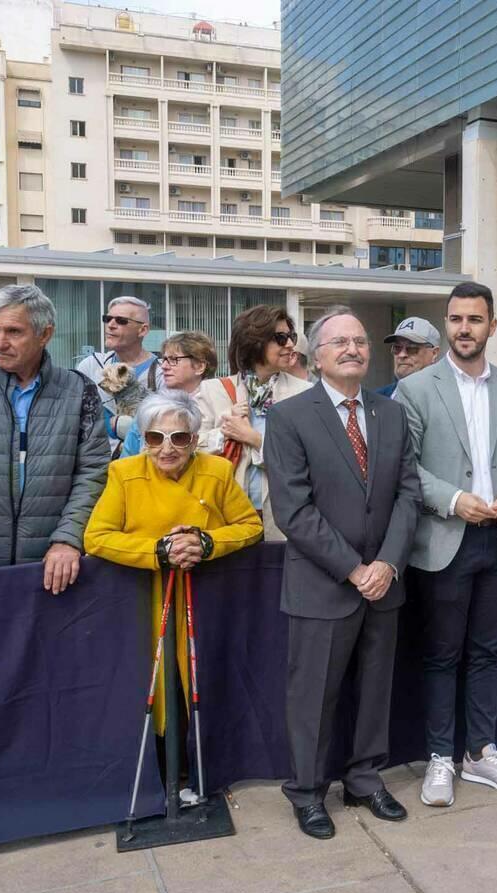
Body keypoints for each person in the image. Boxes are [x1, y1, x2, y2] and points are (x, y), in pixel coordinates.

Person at [265, 307, 421, 838]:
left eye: (359, 340)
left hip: (384, 583)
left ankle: (364, 778)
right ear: (316, 354)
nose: (352, 349)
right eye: (339, 342)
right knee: (313, 697)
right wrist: (355, 569)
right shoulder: (289, 418)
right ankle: (307, 792)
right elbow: (293, 510)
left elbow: (407, 495)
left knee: (376, 691)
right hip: (324, 584)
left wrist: (387, 564)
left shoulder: (390, 413)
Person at [396, 281, 497, 807]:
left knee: (488, 652)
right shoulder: (415, 389)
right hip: (445, 538)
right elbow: (406, 468)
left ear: (492, 326)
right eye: (455, 319)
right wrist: (455, 499)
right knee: (441, 655)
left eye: (474, 320)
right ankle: (439, 756)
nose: (463, 329)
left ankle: (480, 753)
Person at [84, 391, 263, 753]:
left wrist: (207, 543)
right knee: (151, 681)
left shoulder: (217, 471)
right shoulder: (124, 472)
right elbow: (96, 537)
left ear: (195, 440)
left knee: (202, 679)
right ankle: (160, 766)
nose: (167, 448)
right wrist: (158, 550)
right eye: (155, 437)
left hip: (205, 596)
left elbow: (250, 526)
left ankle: (203, 761)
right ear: (144, 439)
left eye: (179, 438)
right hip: (145, 598)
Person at [0, 285, 110, 607]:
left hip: (50, 574)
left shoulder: (78, 390)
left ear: (45, 334)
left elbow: (93, 473)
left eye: (13, 332)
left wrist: (68, 539)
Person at [197, 306, 311, 538]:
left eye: (292, 337)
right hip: (225, 516)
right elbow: (192, 450)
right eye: (280, 338)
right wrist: (225, 431)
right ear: (255, 341)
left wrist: (254, 439)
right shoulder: (213, 390)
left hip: (285, 520)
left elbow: (309, 459)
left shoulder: (305, 393)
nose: (290, 345)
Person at [76, 295, 161, 455]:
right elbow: (76, 418)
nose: (111, 325)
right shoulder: (91, 365)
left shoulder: (163, 372)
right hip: (94, 464)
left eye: (121, 321)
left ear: (143, 329)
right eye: (107, 319)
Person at [121, 331, 219, 457]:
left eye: (173, 360)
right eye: (164, 359)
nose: (164, 366)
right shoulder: (151, 407)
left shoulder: (219, 407)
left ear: (200, 366)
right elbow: (127, 459)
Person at [377, 316, 441, 399]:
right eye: (397, 348)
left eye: (412, 348)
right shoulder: (377, 398)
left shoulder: (447, 398)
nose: (401, 355)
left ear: (434, 353)